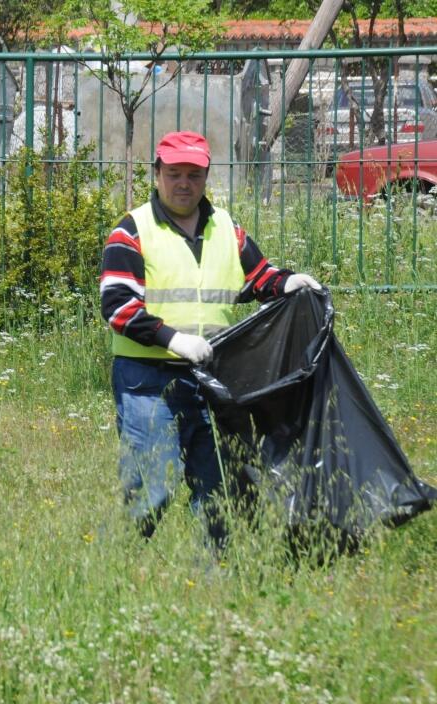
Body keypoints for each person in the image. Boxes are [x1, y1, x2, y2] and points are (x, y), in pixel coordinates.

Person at [99, 130, 321, 545]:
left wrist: (287, 282)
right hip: (147, 379)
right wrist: (173, 339)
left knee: (218, 488)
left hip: (211, 379)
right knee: (153, 487)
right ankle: (121, 559)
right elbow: (117, 306)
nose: (184, 184)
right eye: (174, 174)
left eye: (194, 175)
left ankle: (213, 572)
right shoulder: (132, 230)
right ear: (157, 174)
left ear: (206, 177)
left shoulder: (226, 228)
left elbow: (257, 276)